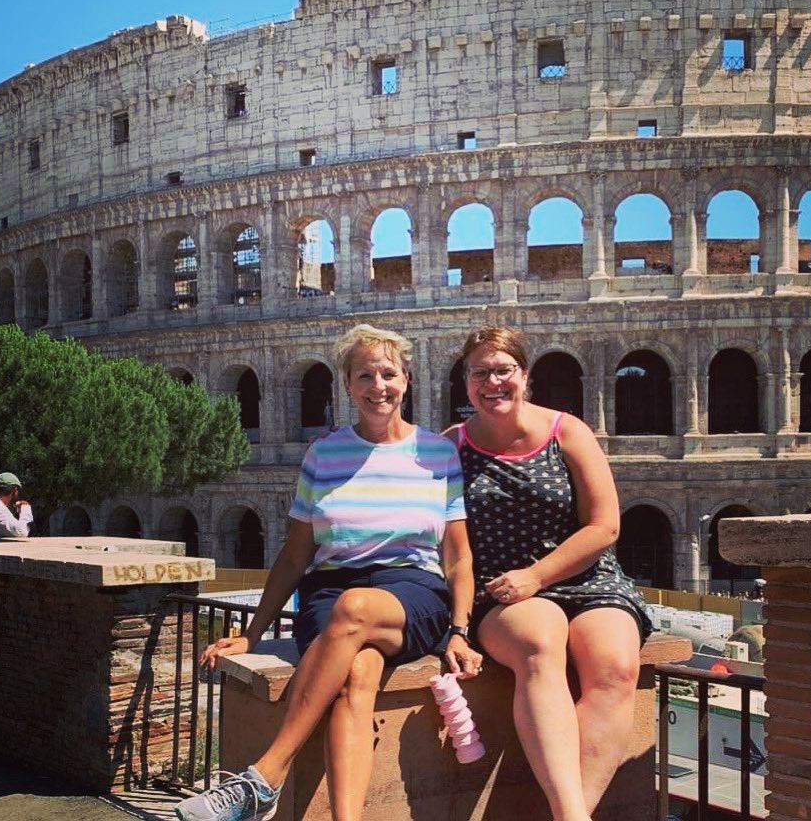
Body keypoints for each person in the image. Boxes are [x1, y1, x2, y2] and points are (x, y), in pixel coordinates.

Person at [177, 325, 482, 821]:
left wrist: (461, 630)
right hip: (329, 590)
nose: (378, 385)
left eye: (388, 373)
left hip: (413, 593)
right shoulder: (323, 454)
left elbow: (459, 555)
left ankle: (266, 776)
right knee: (354, 676)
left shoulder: (438, 453)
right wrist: (252, 634)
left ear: (407, 379)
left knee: (355, 609)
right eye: (365, 375)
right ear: (348, 384)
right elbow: (296, 556)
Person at [444, 326, 652, 821]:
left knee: (617, 666)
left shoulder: (568, 431)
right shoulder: (451, 445)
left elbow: (605, 525)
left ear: (525, 375)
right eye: (480, 373)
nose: (492, 381)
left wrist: (538, 575)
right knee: (541, 642)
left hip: (585, 576)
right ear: (466, 382)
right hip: (501, 587)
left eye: (503, 370)